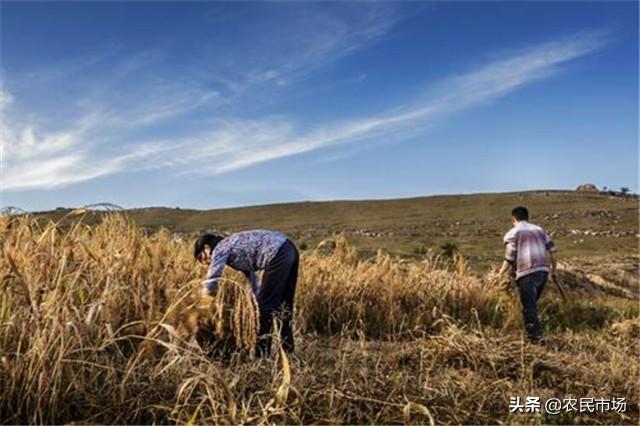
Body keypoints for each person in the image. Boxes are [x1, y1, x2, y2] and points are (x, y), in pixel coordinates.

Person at [194, 229, 299, 356]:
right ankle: (288, 351)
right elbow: (252, 276)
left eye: (202, 257)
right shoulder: (233, 245)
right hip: (289, 248)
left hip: (277, 253)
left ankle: (261, 355)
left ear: (206, 247)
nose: (205, 262)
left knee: (264, 309)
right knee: (283, 305)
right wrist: (257, 297)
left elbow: (212, 279)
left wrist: (203, 304)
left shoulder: (220, 248)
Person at [497, 206, 557, 343]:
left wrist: (499, 275)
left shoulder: (513, 233)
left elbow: (510, 257)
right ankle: (534, 332)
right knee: (532, 305)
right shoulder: (539, 230)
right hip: (543, 272)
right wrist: (554, 272)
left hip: (527, 272)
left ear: (513, 219)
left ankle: (534, 337)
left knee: (529, 306)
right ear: (527, 217)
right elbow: (553, 251)